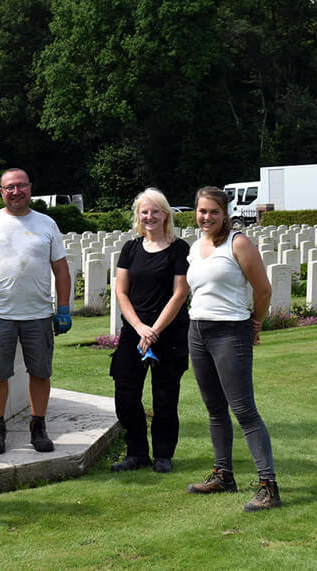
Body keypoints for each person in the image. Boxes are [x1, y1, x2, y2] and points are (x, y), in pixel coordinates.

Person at [0, 168, 72, 454]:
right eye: (9, 187)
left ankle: (39, 426)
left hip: (37, 314)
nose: (15, 192)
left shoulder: (47, 224)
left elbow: (60, 269)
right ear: (1, 192)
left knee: (40, 372)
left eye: (20, 186)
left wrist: (63, 308)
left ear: (30, 188)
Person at [185, 186, 280, 511]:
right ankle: (223, 474)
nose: (207, 217)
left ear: (225, 213)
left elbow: (263, 289)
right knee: (214, 408)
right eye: (202, 211)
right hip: (197, 330)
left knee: (244, 411)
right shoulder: (196, 247)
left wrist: (254, 324)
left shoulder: (237, 243)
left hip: (230, 332)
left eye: (213, 211)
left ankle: (268, 487)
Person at [110, 188, 190, 474]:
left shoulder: (180, 249)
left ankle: (163, 455)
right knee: (126, 394)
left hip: (168, 333)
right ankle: (137, 453)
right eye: (144, 212)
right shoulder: (130, 249)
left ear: (166, 214)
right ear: (138, 216)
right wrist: (140, 327)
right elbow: (121, 292)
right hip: (135, 331)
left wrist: (154, 330)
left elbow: (180, 293)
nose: (149, 217)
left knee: (165, 396)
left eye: (155, 211)